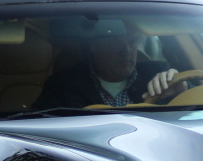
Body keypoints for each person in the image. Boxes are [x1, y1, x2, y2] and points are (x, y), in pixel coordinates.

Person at [35, 25, 182, 109]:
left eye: (132, 41)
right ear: (94, 46)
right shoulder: (61, 87)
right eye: (115, 42)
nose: (126, 50)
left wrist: (183, 88)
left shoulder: (158, 73)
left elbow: (198, 106)